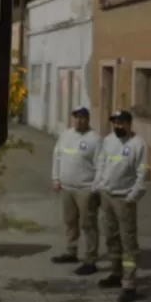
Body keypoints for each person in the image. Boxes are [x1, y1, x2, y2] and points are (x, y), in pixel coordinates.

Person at [93, 109, 149, 302]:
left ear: (129, 123)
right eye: (115, 122)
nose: (118, 126)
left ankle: (129, 284)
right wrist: (97, 187)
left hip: (124, 199)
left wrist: (132, 197)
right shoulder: (108, 140)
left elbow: (143, 175)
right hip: (107, 197)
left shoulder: (138, 144)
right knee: (110, 238)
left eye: (121, 122)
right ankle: (116, 274)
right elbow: (101, 164)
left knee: (128, 244)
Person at [50, 107, 103, 275]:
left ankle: (90, 259)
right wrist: (56, 178)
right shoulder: (66, 135)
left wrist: (95, 187)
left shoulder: (95, 139)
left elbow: (101, 165)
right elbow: (57, 156)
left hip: (86, 189)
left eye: (82, 118)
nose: (78, 121)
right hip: (67, 187)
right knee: (70, 222)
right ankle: (71, 251)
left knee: (88, 224)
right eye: (76, 118)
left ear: (88, 119)